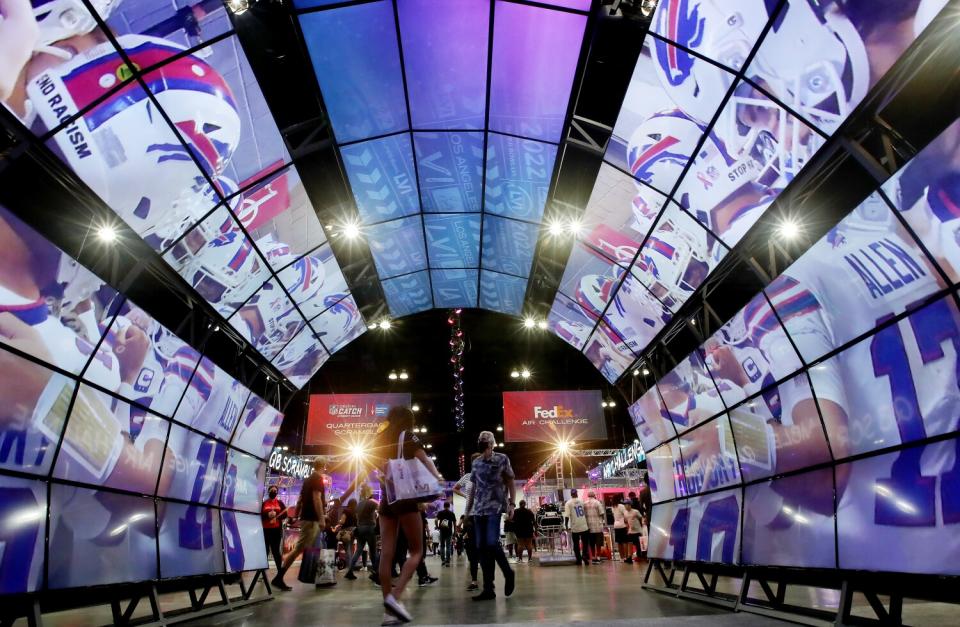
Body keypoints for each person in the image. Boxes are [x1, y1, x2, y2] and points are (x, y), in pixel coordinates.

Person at [369, 406, 443, 624]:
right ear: (408, 419)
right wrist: (437, 478)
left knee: (387, 554)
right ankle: (395, 596)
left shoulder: (381, 437)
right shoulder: (408, 435)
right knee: (417, 551)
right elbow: (424, 459)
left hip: (387, 499)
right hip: (406, 497)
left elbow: (375, 467)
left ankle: (388, 612)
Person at [465, 431, 515, 602]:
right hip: (478, 510)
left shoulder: (502, 459)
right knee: (481, 547)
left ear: (492, 443)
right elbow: (472, 489)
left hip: (495, 507)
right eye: (481, 441)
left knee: (492, 542)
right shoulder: (476, 463)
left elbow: (510, 482)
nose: (483, 443)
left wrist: (512, 505)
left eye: (485, 442)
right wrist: (467, 512)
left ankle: (508, 573)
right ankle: (488, 589)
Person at [272, 459, 326, 590]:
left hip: (306, 518)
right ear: (324, 467)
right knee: (299, 549)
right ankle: (279, 577)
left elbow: (300, 499)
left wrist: (296, 514)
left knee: (317, 547)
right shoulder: (318, 479)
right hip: (312, 519)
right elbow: (317, 498)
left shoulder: (307, 480)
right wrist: (321, 518)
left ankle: (321, 578)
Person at [454, 452, 482, 591]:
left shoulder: (487, 477)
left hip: (483, 516)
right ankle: (474, 581)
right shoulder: (467, 477)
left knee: (485, 549)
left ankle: (489, 582)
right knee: (471, 549)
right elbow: (455, 488)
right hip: (470, 516)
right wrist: (466, 495)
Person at [345, 486, 378, 581]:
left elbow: (357, 518)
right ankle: (376, 572)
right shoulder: (371, 503)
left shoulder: (358, 505)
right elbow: (380, 508)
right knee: (373, 551)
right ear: (368, 492)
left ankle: (350, 571)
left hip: (360, 529)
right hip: (370, 528)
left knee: (358, 550)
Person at [261, 486, 287, 572]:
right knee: (265, 551)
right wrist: (267, 515)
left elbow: (285, 514)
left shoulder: (280, 503)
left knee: (276, 551)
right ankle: (262, 572)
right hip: (266, 530)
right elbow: (260, 515)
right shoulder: (264, 503)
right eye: (272, 490)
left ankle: (280, 572)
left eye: (275, 491)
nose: (273, 492)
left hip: (276, 530)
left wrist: (277, 516)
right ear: (268, 492)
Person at [564, 489, 591, 566]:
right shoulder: (582, 501)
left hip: (575, 526)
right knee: (585, 543)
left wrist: (566, 525)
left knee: (576, 544)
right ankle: (585, 556)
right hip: (584, 525)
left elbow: (566, 516)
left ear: (571, 494)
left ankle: (578, 559)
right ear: (577, 494)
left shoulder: (568, 503)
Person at [584, 491, 605, 565]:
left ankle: (593, 557)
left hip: (588, 527)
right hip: (598, 526)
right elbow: (602, 513)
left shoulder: (585, 503)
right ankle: (598, 557)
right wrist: (603, 521)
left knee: (592, 543)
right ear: (594, 495)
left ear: (588, 496)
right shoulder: (597, 503)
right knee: (598, 543)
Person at [611, 495, 631, 563]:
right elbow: (626, 515)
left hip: (616, 525)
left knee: (619, 543)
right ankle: (625, 557)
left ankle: (621, 558)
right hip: (622, 525)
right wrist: (627, 523)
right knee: (625, 542)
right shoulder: (621, 506)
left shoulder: (613, 507)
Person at [436, 502, 457, 567]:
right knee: (448, 546)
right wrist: (455, 532)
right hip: (449, 532)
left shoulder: (440, 513)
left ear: (444, 506)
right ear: (449, 506)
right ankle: (447, 562)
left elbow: (436, 520)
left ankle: (443, 561)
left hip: (442, 531)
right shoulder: (452, 513)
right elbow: (454, 524)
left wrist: (437, 527)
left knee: (442, 546)